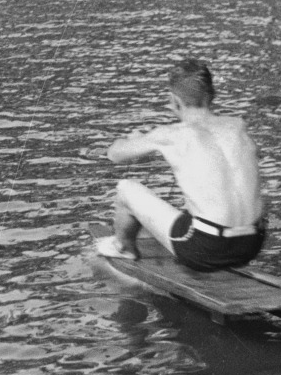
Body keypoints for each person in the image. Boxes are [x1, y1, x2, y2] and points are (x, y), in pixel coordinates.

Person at [96, 58, 266, 271]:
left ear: (173, 100)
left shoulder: (170, 135)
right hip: (252, 244)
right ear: (212, 94)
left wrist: (137, 139)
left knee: (125, 189)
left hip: (206, 248)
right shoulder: (238, 127)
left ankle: (124, 248)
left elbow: (114, 154)